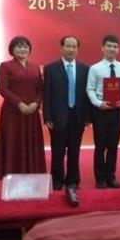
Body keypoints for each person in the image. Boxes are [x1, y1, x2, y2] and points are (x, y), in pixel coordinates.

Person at [43, 36, 90, 205]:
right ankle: (57, 181)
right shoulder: (51, 68)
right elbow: (47, 94)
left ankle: (73, 181)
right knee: (58, 151)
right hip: (57, 117)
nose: (71, 49)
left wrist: (87, 117)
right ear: (61, 48)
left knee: (74, 151)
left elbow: (86, 95)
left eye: (74, 47)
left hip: (77, 116)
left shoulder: (84, 69)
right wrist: (47, 116)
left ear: (77, 49)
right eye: (68, 46)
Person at [0, 36, 45, 179]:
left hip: (32, 112)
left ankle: (32, 175)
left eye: (26, 47)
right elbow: (3, 89)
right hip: (13, 113)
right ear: (12, 49)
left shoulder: (35, 67)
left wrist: (36, 103)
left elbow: (40, 89)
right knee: (13, 143)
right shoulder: (5, 66)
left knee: (31, 144)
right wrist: (19, 104)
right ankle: (12, 176)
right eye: (19, 46)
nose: (23, 49)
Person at [86, 35, 120, 188]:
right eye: (109, 46)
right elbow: (90, 89)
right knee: (100, 145)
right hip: (101, 111)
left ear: (118, 49)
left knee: (113, 145)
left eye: (115, 46)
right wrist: (99, 103)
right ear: (102, 48)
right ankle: (100, 178)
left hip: (117, 111)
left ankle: (111, 176)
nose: (112, 49)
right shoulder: (95, 68)